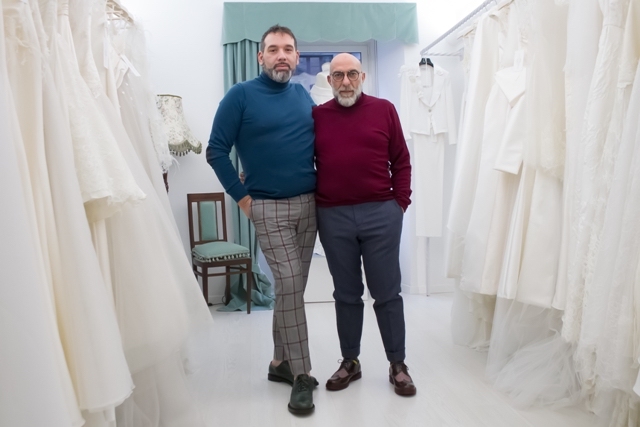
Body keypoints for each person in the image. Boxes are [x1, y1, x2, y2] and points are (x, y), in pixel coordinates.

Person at [206, 24, 318, 415]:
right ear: (261, 57)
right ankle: (302, 374)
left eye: (288, 49)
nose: (281, 55)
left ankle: (280, 362)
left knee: (292, 289)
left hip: (309, 206)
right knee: (289, 282)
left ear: (297, 56)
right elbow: (215, 150)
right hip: (266, 207)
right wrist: (243, 199)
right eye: (273, 49)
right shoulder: (240, 95)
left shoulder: (302, 95)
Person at [312, 53, 417, 396]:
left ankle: (398, 364)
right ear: (329, 80)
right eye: (338, 75)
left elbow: (401, 160)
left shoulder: (384, 110)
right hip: (333, 216)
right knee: (346, 294)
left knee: (387, 293)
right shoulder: (318, 116)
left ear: (363, 77)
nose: (346, 81)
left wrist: (399, 205)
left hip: (381, 214)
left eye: (352, 74)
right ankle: (350, 361)